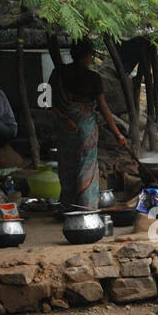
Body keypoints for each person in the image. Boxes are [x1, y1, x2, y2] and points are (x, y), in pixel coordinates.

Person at [49, 40, 127, 210]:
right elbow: (104, 108)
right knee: (87, 166)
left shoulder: (58, 73)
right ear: (87, 56)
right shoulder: (93, 77)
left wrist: (65, 118)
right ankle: (86, 206)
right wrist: (118, 134)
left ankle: (68, 206)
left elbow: (47, 101)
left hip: (65, 129)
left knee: (67, 165)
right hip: (85, 128)